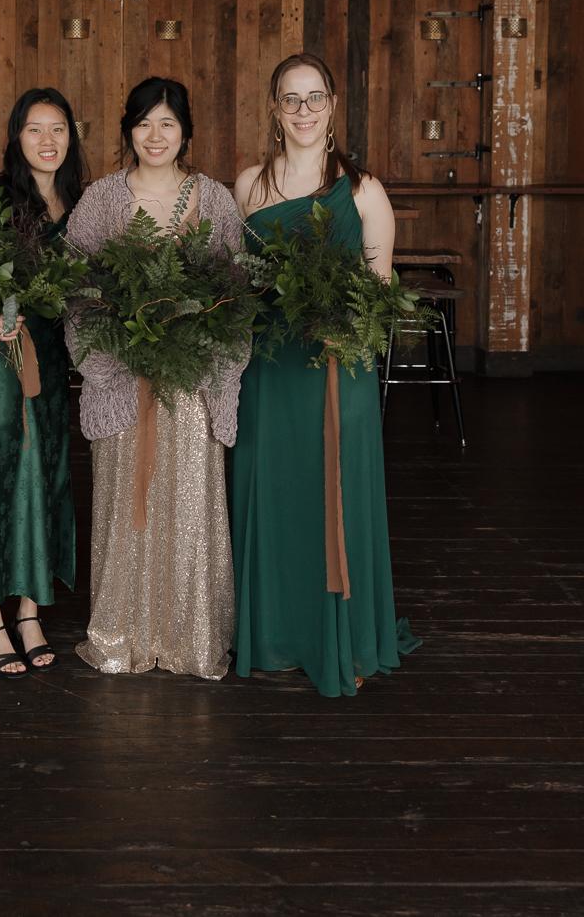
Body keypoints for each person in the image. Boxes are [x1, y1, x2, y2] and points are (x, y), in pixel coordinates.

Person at [230, 51, 419, 697]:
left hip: (339, 366)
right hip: (270, 369)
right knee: (273, 494)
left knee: (336, 495)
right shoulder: (248, 186)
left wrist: (342, 322)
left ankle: (343, 635)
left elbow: (380, 293)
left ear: (333, 106)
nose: (304, 110)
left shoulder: (364, 192)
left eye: (315, 97)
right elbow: (239, 284)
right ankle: (275, 634)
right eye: (291, 98)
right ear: (275, 108)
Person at [65, 77, 246, 680]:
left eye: (167, 122)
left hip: (192, 385)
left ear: (186, 131)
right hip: (124, 383)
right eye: (143, 123)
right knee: (127, 508)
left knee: (189, 509)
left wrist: (203, 353)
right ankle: (123, 634)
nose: (155, 135)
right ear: (129, 130)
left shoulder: (214, 199)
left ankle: (190, 636)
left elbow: (237, 296)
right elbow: (75, 295)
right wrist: (116, 357)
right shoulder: (101, 199)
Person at [0, 88, 87, 677]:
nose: (47, 140)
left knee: (48, 477)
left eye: (58, 128)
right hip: (4, 357)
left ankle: (32, 610)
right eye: (35, 129)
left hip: (56, 362)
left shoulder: (84, 202)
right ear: (17, 137)